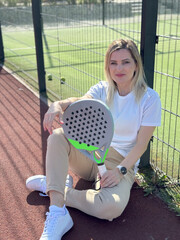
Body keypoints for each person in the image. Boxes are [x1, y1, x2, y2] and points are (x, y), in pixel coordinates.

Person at [26, 39, 161, 240]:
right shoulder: (102, 89)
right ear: (108, 66)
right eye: (113, 63)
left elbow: (141, 144)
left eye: (125, 62)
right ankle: (57, 213)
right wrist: (58, 104)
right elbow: (79, 102)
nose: (119, 68)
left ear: (136, 64)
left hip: (121, 162)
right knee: (57, 138)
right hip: (91, 154)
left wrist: (121, 170)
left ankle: (54, 187)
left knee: (110, 208)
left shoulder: (150, 99)